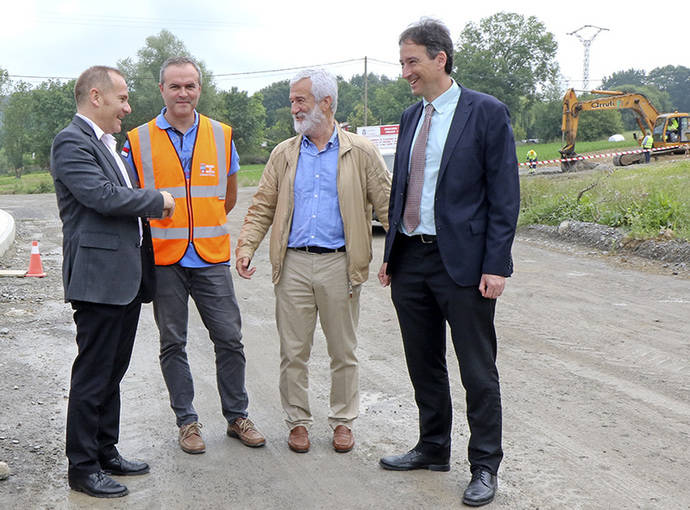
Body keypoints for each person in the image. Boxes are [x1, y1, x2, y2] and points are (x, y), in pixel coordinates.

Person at [377, 19, 520, 507]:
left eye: (411, 61)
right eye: (402, 63)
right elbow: (402, 187)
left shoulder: (486, 112)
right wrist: (390, 253)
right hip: (411, 258)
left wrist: (497, 264)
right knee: (423, 363)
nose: (405, 72)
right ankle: (433, 447)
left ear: (441, 58)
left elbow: (504, 196)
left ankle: (484, 466)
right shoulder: (411, 116)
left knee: (477, 370)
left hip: (463, 262)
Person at [235, 68, 391, 454]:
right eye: (292, 101)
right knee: (293, 352)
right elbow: (262, 206)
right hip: (293, 266)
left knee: (344, 351)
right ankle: (298, 422)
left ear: (326, 102)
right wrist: (246, 246)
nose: (294, 107)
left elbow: (389, 207)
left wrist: (398, 257)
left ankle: (343, 421)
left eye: (300, 100)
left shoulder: (361, 151)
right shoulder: (284, 153)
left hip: (341, 265)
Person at [124, 57, 265, 454]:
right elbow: (131, 197)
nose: (183, 93)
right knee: (173, 344)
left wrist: (200, 222)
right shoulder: (138, 140)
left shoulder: (221, 135)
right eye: (175, 86)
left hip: (210, 257)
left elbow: (229, 196)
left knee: (230, 339)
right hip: (164, 258)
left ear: (199, 89)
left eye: (190, 86)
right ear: (162, 90)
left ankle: (237, 416)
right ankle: (187, 422)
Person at [50, 65, 176, 498]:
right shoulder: (71, 141)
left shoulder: (107, 144)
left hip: (124, 277)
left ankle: (106, 451)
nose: (128, 106)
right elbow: (101, 197)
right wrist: (157, 200)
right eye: (122, 98)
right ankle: (83, 468)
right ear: (96, 97)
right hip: (98, 280)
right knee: (93, 373)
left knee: (113, 372)